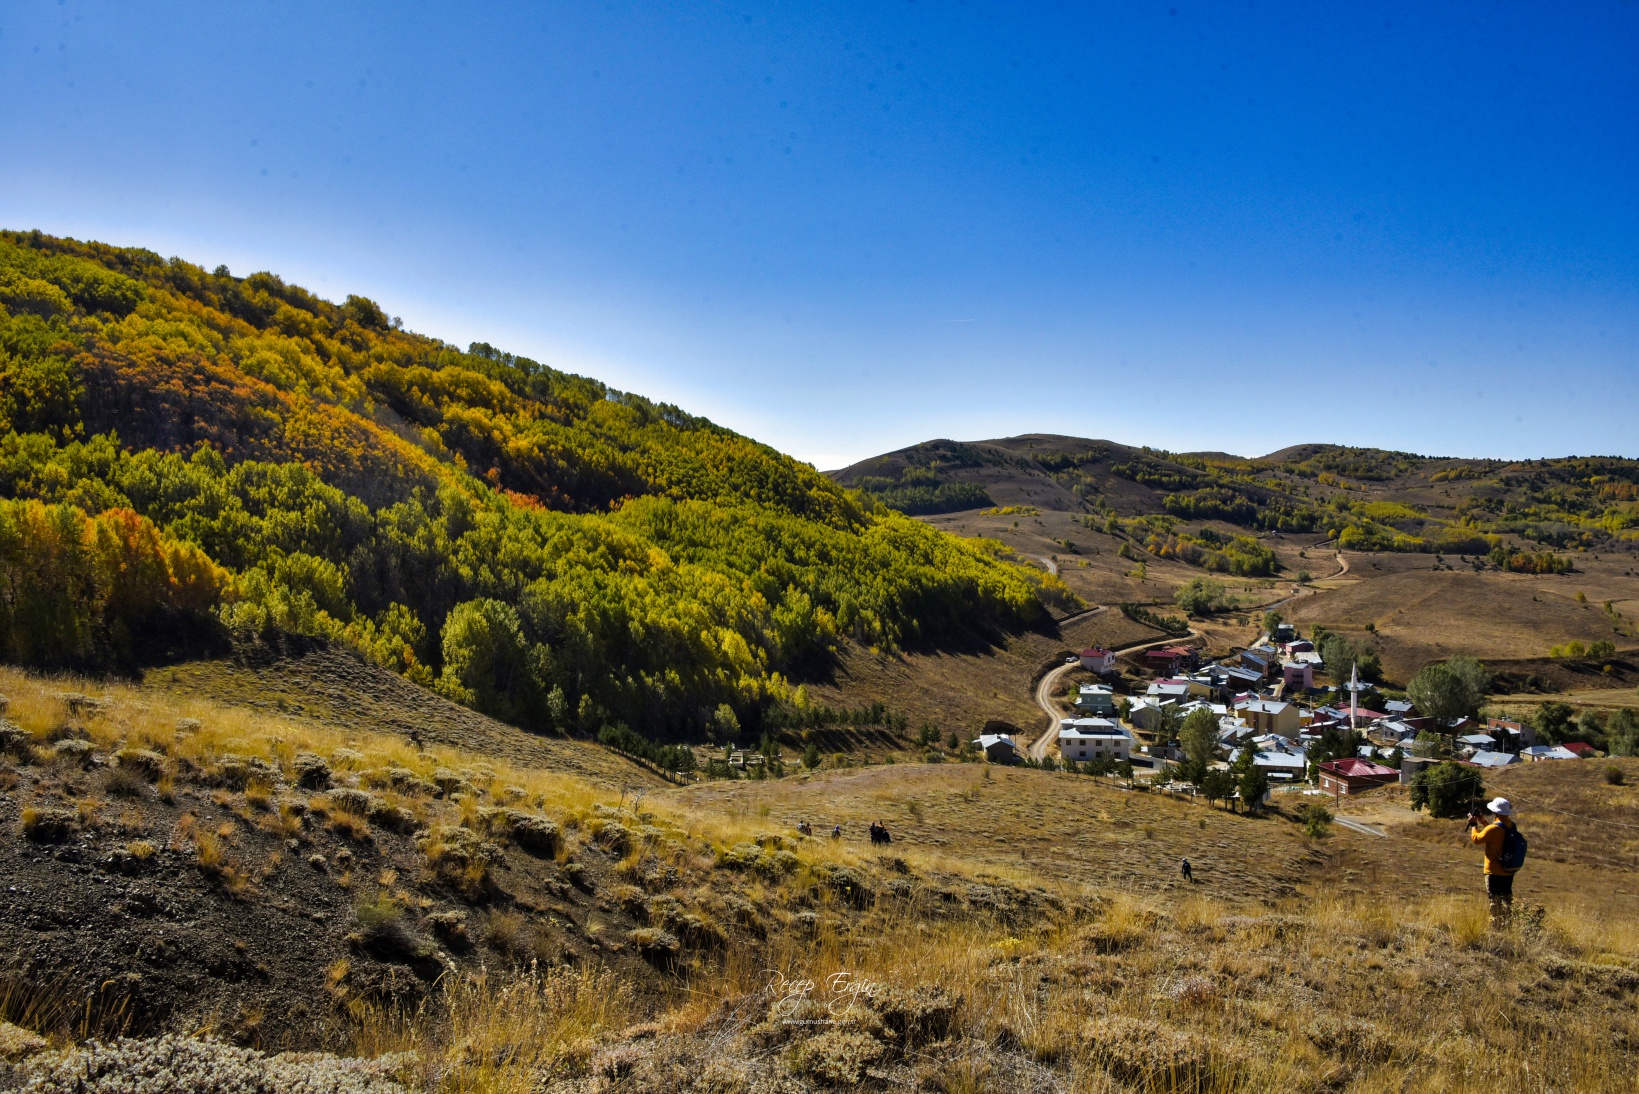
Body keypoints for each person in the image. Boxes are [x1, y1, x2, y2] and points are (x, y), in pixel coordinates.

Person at [1467, 796, 1521, 927]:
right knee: (1507, 901)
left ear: (1495, 812)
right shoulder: (1511, 825)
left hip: (1494, 871)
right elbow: (1494, 834)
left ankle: (1496, 928)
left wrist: (1474, 825)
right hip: (1508, 870)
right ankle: (1507, 926)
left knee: (1495, 902)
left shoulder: (1493, 829)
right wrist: (1484, 822)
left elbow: (1477, 839)